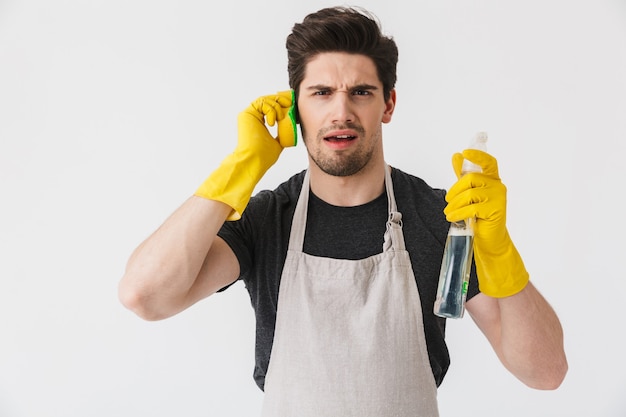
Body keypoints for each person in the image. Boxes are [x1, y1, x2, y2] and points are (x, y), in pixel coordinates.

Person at [118, 6, 567, 416]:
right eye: (321, 92)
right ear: (296, 108)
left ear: (388, 104)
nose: (341, 110)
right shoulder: (267, 220)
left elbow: (545, 373)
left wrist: (500, 251)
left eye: (361, 92)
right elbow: (145, 296)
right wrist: (239, 169)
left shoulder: (437, 217)